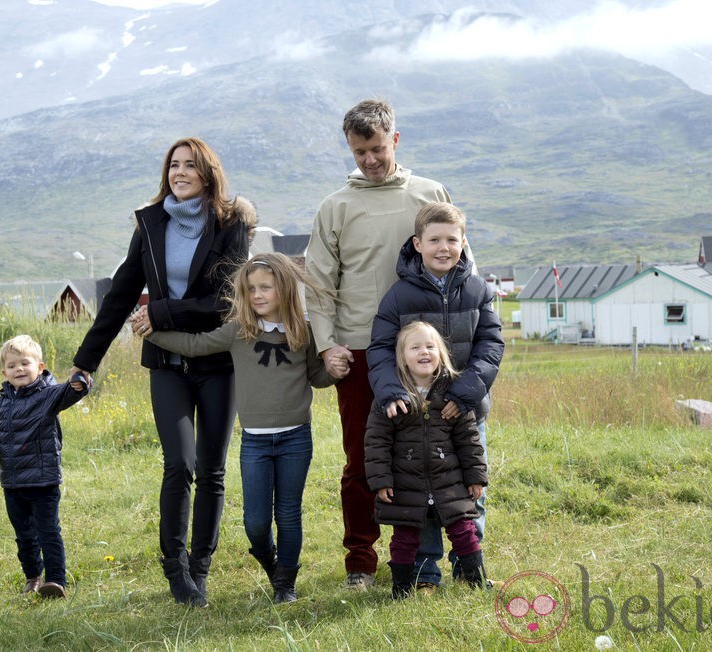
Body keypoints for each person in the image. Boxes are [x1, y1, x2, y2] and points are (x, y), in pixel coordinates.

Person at [70, 137, 256, 607]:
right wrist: (85, 361)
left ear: (208, 172)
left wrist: (164, 313)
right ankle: (174, 570)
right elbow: (121, 294)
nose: (179, 172)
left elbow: (226, 301)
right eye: (173, 165)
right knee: (180, 464)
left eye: (190, 165)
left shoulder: (231, 224)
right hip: (167, 366)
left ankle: (200, 569)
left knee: (212, 470)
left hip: (217, 365)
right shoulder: (150, 223)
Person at [304, 98, 471, 589]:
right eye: (359, 152)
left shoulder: (428, 192)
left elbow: (461, 263)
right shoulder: (336, 207)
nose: (370, 160)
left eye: (377, 148)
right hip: (357, 351)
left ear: (394, 140)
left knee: (441, 453)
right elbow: (319, 284)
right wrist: (325, 346)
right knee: (363, 458)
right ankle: (360, 561)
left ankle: (448, 555)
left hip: (424, 353)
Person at [147, 252, 340, 603]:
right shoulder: (239, 331)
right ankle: (269, 557)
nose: (257, 295)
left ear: (284, 287)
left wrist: (336, 370)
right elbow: (196, 345)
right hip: (254, 443)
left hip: (296, 436)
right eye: (251, 289)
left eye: (265, 287)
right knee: (255, 522)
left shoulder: (303, 331)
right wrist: (154, 333)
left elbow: (317, 375)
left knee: (289, 513)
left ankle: (285, 584)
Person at [367, 201, 503, 589]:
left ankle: (468, 566)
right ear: (418, 243)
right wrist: (392, 390)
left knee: (469, 489)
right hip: (413, 417)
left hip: (463, 412)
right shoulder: (398, 297)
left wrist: (463, 395)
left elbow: (490, 345)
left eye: (452, 239)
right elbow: (379, 348)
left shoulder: (478, 291)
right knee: (417, 498)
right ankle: (425, 571)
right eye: (434, 240)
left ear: (463, 242)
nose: (444, 248)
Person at [0, 334, 91, 599]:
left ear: (39, 367)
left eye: (25, 363)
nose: (18, 369)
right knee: (25, 537)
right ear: (4, 372)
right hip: (13, 484)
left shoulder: (49, 395)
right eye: (12, 366)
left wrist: (79, 384)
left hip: (44, 482)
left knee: (48, 532)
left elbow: (71, 391)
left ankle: (55, 581)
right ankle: (33, 577)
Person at [364, 321, 488, 598]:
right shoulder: (391, 397)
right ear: (402, 357)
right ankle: (402, 588)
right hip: (405, 483)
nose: (424, 352)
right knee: (405, 537)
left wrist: (476, 476)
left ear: (441, 354)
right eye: (415, 347)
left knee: (464, 530)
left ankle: (475, 579)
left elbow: (469, 439)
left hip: (450, 480)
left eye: (431, 346)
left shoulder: (453, 394)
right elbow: (376, 443)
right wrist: (381, 480)